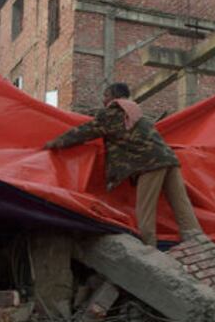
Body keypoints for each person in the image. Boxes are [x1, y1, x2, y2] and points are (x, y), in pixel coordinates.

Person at [43, 83, 202, 247]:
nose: (103, 100)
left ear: (114, 97)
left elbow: (84, 132)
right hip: (169, 160)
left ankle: (149, 248)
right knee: (181, 203)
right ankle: (197, 241)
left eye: (105, 96)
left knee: (145, 209)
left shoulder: (112, 113)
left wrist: (55, 143)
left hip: (149, 164)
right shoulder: (137, 113)